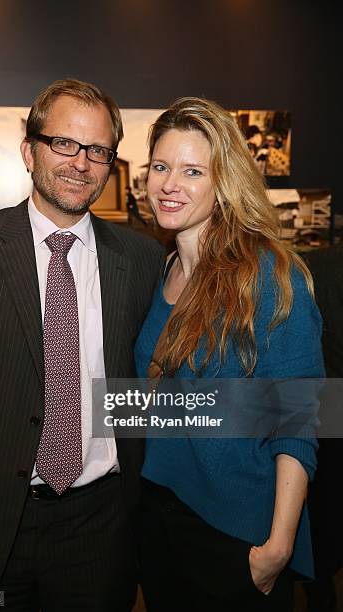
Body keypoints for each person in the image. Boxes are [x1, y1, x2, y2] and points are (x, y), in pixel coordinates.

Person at [0, 78, 164, 610]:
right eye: (64, 143)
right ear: (29, 150)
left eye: (98, 150)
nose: (81, 162)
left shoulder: (141, 260)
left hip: (99, 529)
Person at [134, 97, 324, 611]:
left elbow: (298, 417)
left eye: (192, 170)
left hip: (237, 533)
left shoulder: (268, 275)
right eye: (161, 166)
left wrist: (278, 547)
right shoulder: (161, 270)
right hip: (157, 516)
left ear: (224, 183)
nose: (170, 184)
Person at [303, 245, 343, 611]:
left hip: (325, 408)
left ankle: (321, 592)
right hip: (326, 410)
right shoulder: (317, 264)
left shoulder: (315, 264)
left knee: (323, 512)